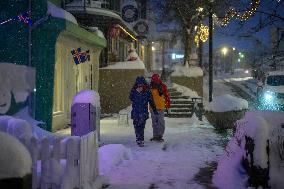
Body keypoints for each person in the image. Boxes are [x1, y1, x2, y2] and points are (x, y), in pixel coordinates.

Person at [129, 76, 157, 147]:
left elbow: (151, 101)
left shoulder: (147, 92)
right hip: (135, 112)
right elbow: (131, 98)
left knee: (141, 126)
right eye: (139, 85)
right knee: (136, 126)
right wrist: (136, 92)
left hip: (143, 113)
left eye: (141, 85)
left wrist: (154, 110)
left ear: (144, 84)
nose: (140, 86)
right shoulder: (134, 91)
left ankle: (140, 140)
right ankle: (138, 139)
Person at [149, 74, 170, 142]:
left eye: (156, 81)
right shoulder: (150, 87)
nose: (155, 82)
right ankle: (155, 136)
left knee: (160, 122)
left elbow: (167, 96)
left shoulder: (163, 86)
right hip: (153, 107)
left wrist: (167, 104)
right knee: (155, 122)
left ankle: (159, 135)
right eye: (154, 81)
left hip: (160, 107)